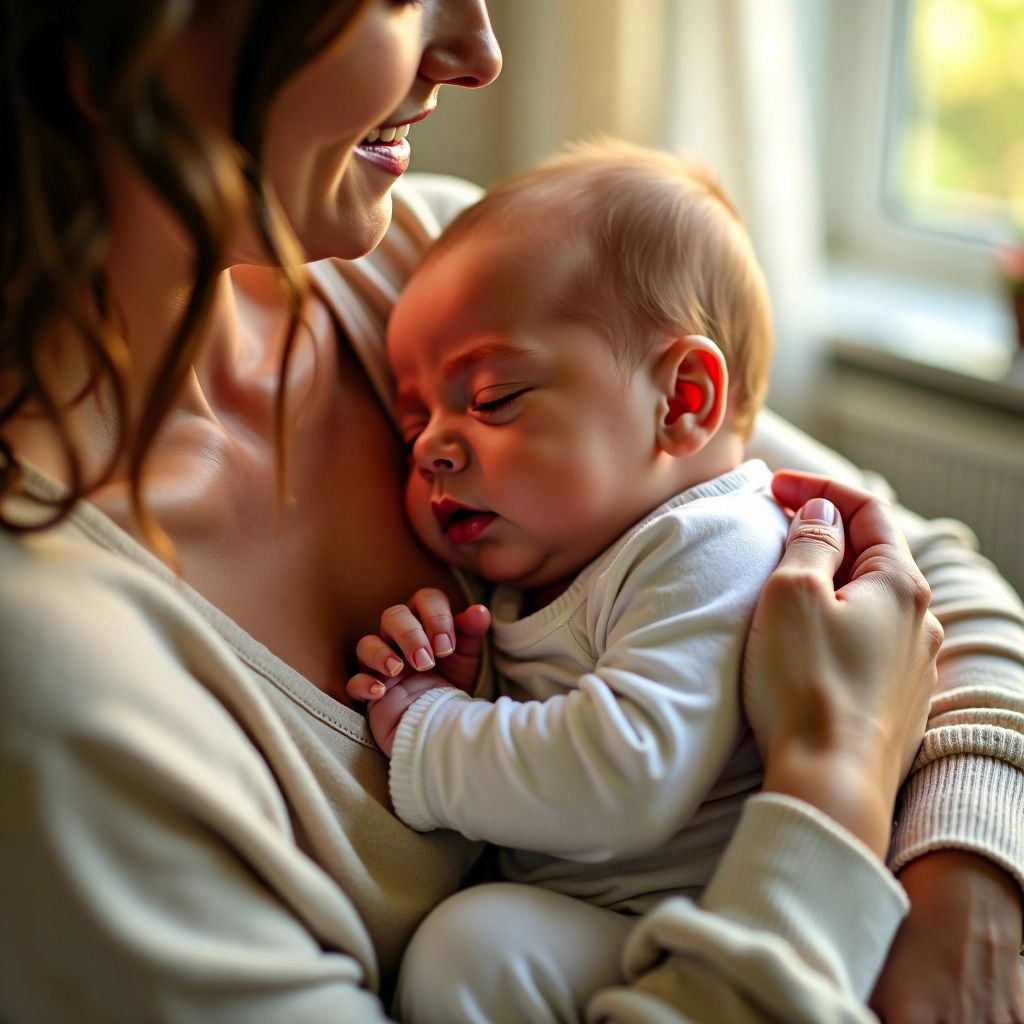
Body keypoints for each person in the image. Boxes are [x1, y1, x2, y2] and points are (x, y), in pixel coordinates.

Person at [0, 2, 1020, 1023]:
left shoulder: (424, 266)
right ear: (117, 45)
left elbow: (932, 572)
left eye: (488, 404)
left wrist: (966, 907)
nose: (479, 53)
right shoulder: (51, 677)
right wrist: (832, 780)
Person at [343, 140, 795, 1017]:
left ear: (684, 402)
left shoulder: (714, 542)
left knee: (470, 952)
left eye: (491, 398)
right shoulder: (560, 553)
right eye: (412, 428)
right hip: (624, 917)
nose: (433, 446)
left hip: (729, 922)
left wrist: (431, 731)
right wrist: (463, 672)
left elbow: (627, 772)